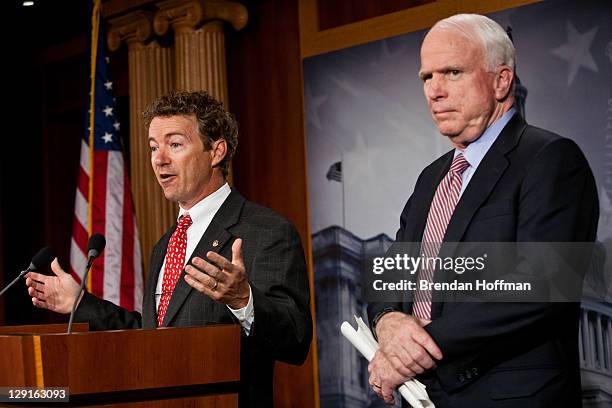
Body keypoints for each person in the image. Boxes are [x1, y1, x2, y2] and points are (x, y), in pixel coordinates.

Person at [25, 90, 313, 407]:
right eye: (153, 147)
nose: (159, 159)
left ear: (216, 152)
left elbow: (296, 340)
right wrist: (80, 303)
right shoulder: (165, 245)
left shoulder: (266, 231)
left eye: (174, 144)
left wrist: (245, 300)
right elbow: (155, 339)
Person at [367, 14, 598, 407]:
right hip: (425, 396)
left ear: (501, 80)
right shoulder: (431, 178)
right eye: (426, 77)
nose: (434, 91)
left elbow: (542, 284)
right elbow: (392, 272)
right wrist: (388, 322)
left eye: (452, 72)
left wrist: (419, 345)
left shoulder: (551, 158)